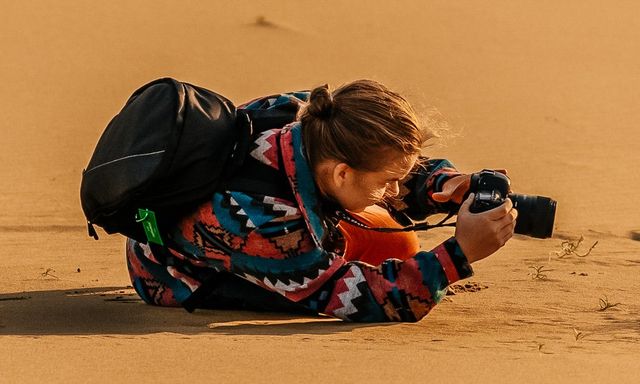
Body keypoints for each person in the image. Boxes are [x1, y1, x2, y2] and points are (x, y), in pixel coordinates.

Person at [125, 81, 516, 322]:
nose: (396, 192)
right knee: (393, 248)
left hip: (264, 218)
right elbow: (375, 300)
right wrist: (460, 253)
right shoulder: (264, 225)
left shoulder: (314, 117)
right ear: (341, 174)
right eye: (389, 183)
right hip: (172, 275)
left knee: (396, 240)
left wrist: (444, 184)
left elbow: (383, 160)